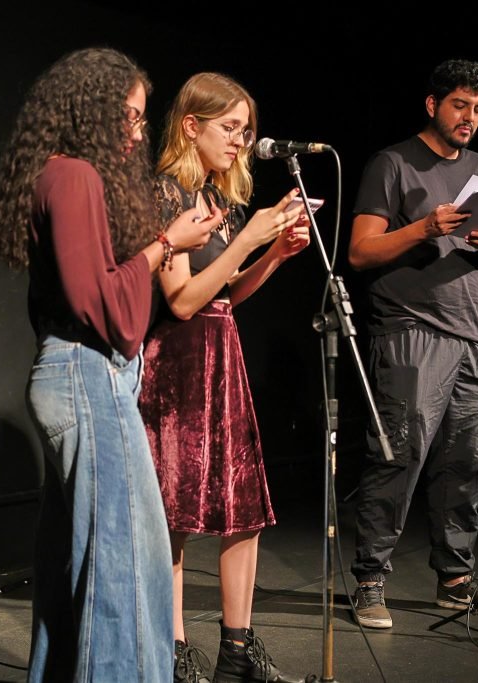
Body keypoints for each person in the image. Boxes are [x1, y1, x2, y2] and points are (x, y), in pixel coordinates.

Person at [0, 48, 220, 682]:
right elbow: (107, 307)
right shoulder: (73, 177)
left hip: (81, 375)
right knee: (126, 567)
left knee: (77, 566)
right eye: (132, 117)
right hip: (87, 375)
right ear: (93, 110)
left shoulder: (66, 175)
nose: (140, 132)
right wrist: (167, 243)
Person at [138, 72, 310, 683]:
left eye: (246, 130)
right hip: (176, 366)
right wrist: (249, 242)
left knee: (242, 506)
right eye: (229, 128)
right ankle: (175, 650)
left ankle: (237, 651)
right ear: (192, 126)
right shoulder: (166, 194)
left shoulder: (217, 198)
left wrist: (274, 254)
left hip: (222, 354)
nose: (240, 141)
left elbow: (225, 298)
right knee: (176, 512)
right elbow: (182, 300)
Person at [346, 58, 478, 629]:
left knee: (468, 459)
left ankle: (455, 577)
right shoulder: (392, 164)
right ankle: (370, 577)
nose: (469, 117)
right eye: (460, 105)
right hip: (411, 329)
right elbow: (360, 252)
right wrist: (425, 227)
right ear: (432, 104)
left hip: (475, 334)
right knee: (399, 454)